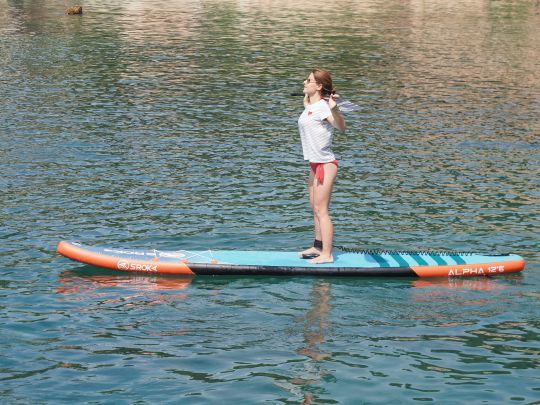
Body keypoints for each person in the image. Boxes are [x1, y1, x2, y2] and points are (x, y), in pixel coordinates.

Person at [298, 69, 346, 264]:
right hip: (313, 163)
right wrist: (308, 100)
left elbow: (341, 126)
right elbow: (310, 114)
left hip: (325, 164)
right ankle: (317, 246)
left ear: (319, 86)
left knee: (322, 210)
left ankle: (327, 254)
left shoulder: (325, 108)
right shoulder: (312, 105)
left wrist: (334, 109)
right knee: (314, 208)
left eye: (308, 80)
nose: (304, 82)